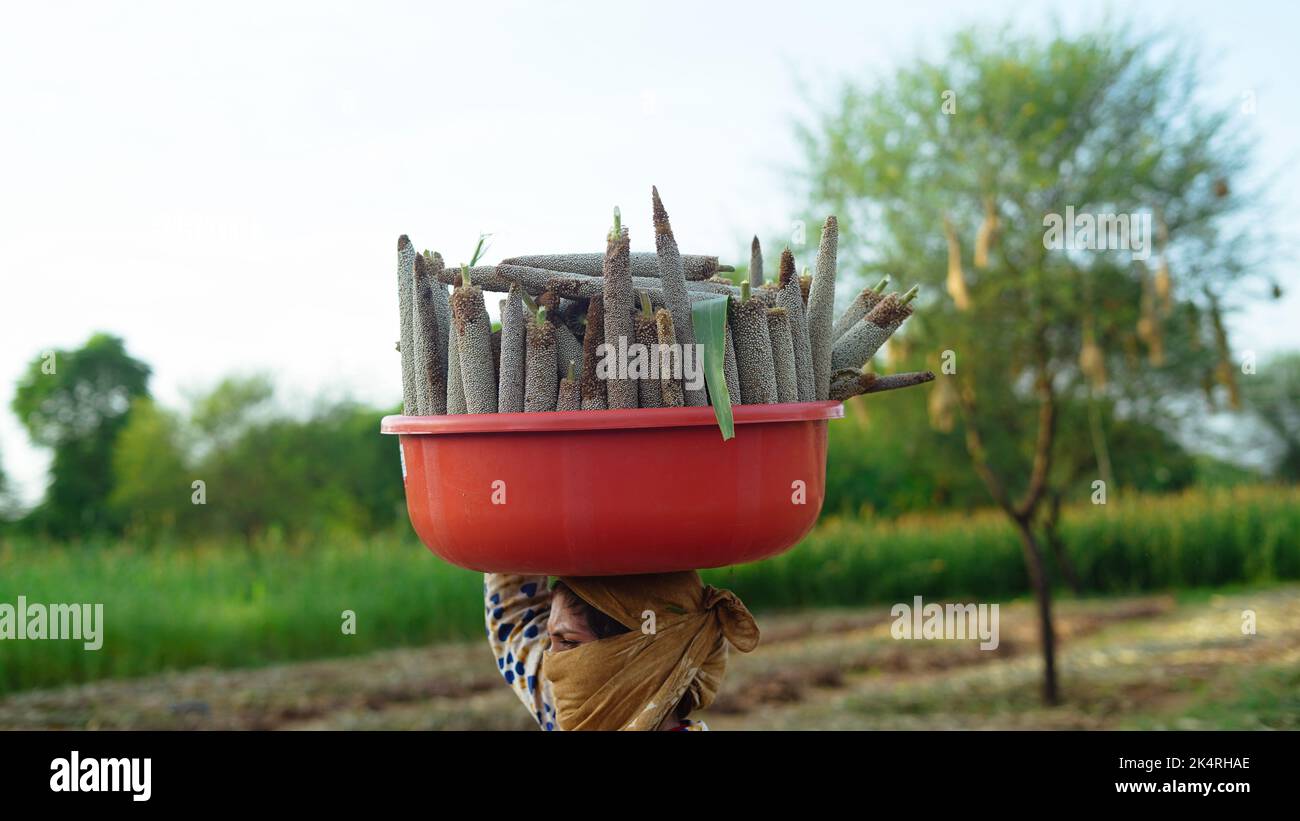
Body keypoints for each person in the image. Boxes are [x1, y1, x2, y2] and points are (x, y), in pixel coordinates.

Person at [484, 571, 760, 731]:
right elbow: (514, 618)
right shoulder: (581, 716)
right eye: (551, 640)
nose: (551, 660)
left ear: (639, 658)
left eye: (568, 643)